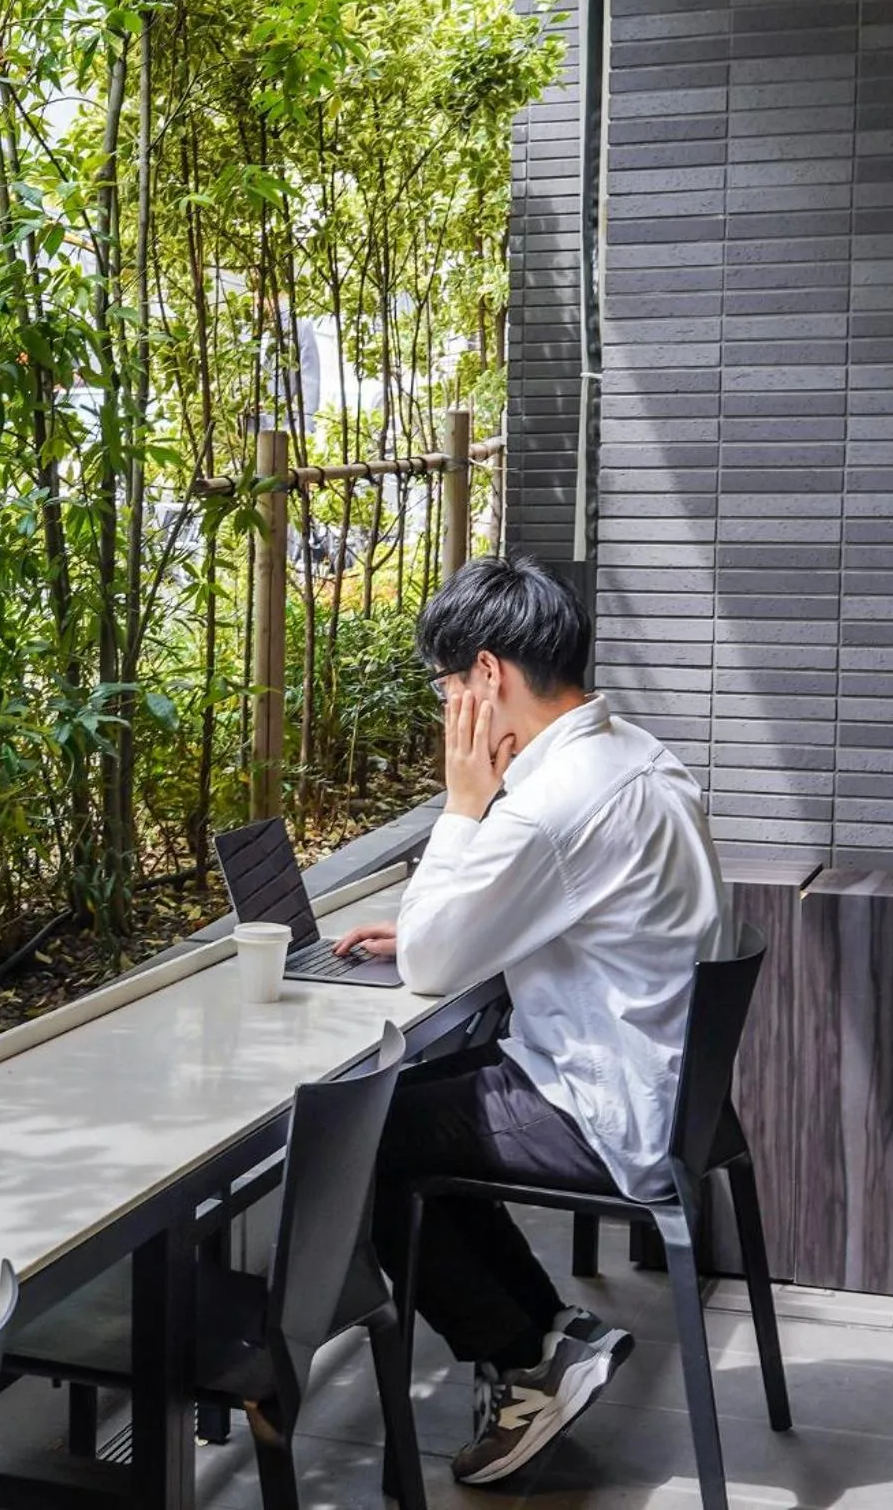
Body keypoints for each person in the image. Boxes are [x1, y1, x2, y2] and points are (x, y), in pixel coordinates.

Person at [330, 554, 729, 1485]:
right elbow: (547, 913)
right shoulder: (633, 755)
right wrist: (448, 915)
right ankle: (551, 1336)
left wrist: (463, 807)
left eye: (446, 687)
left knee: (363, 1134)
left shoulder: (547, 803)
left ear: (488, 676)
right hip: (670, 1089)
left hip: (610, 1108)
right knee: (404, 1105)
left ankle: (526, 1360)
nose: (447, 709)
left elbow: (432, 961)